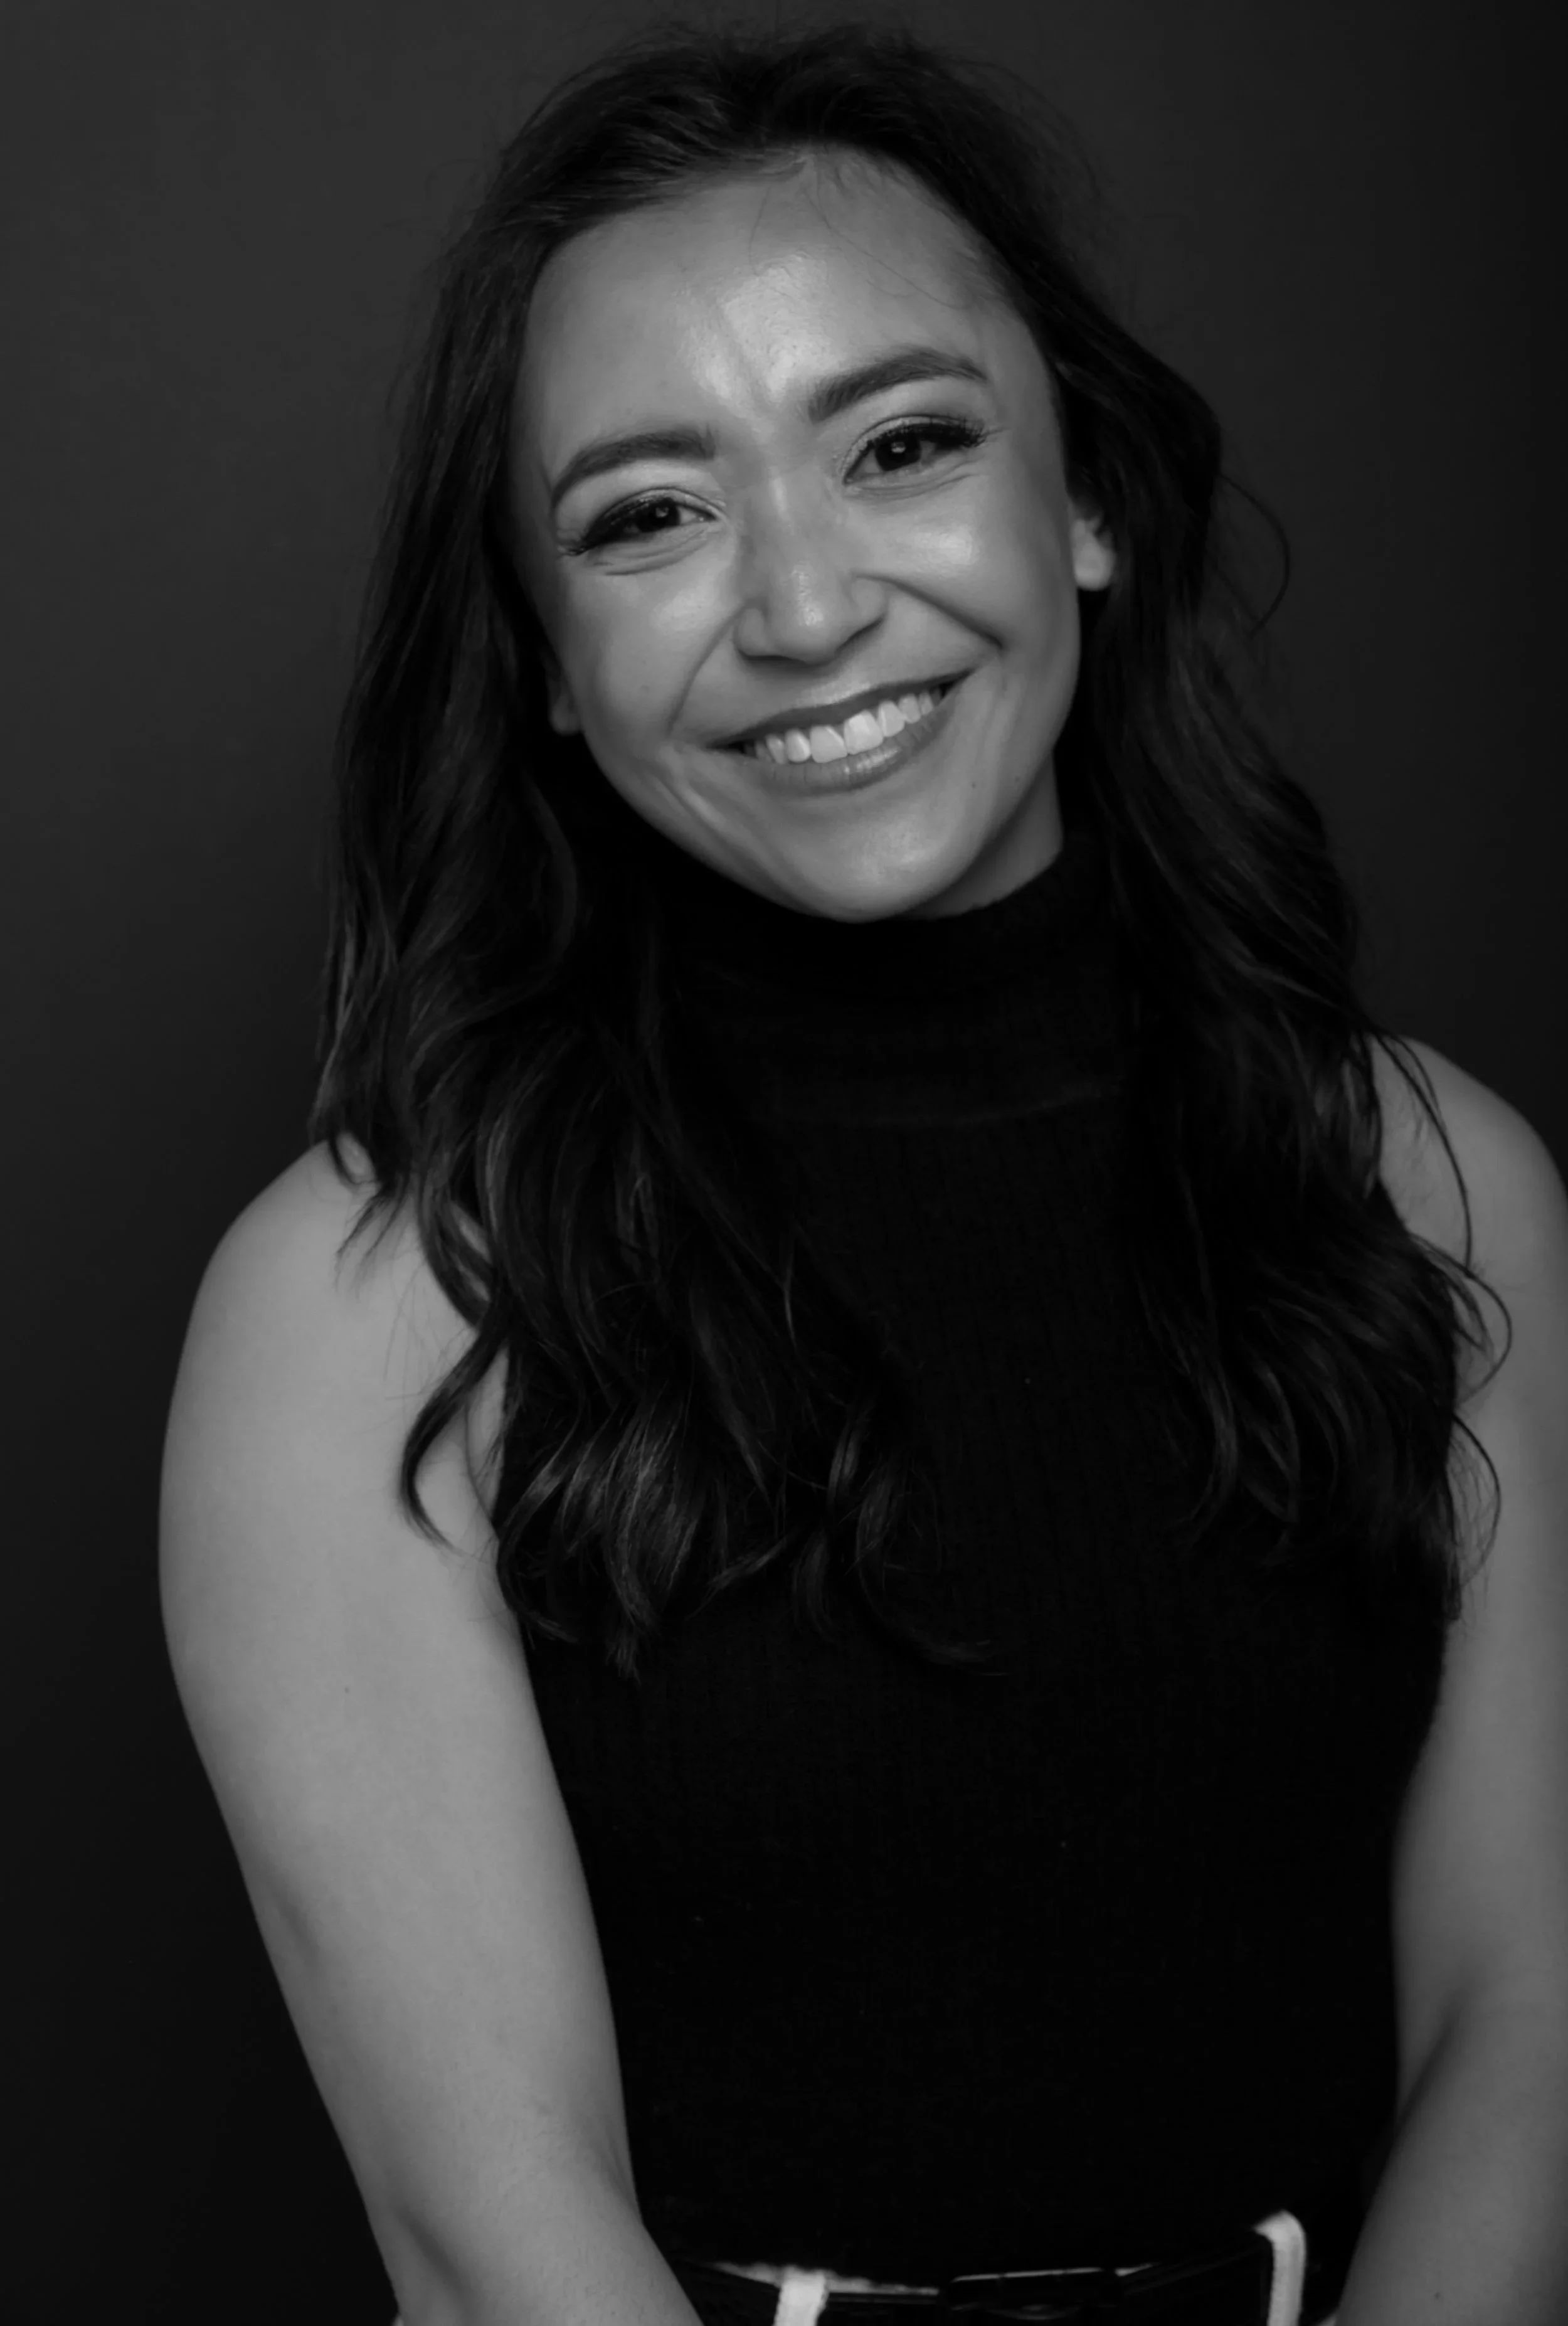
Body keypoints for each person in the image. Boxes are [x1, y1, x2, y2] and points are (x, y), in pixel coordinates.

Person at [157, 23, 1568, 2326]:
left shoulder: (1433, 1184)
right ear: (541, 657)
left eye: (901, 444)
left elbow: (1527, 2033)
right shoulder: (373, 1300)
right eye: (648, 513)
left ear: (1087, 499)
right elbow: (489, 2237)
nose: (804, 609)